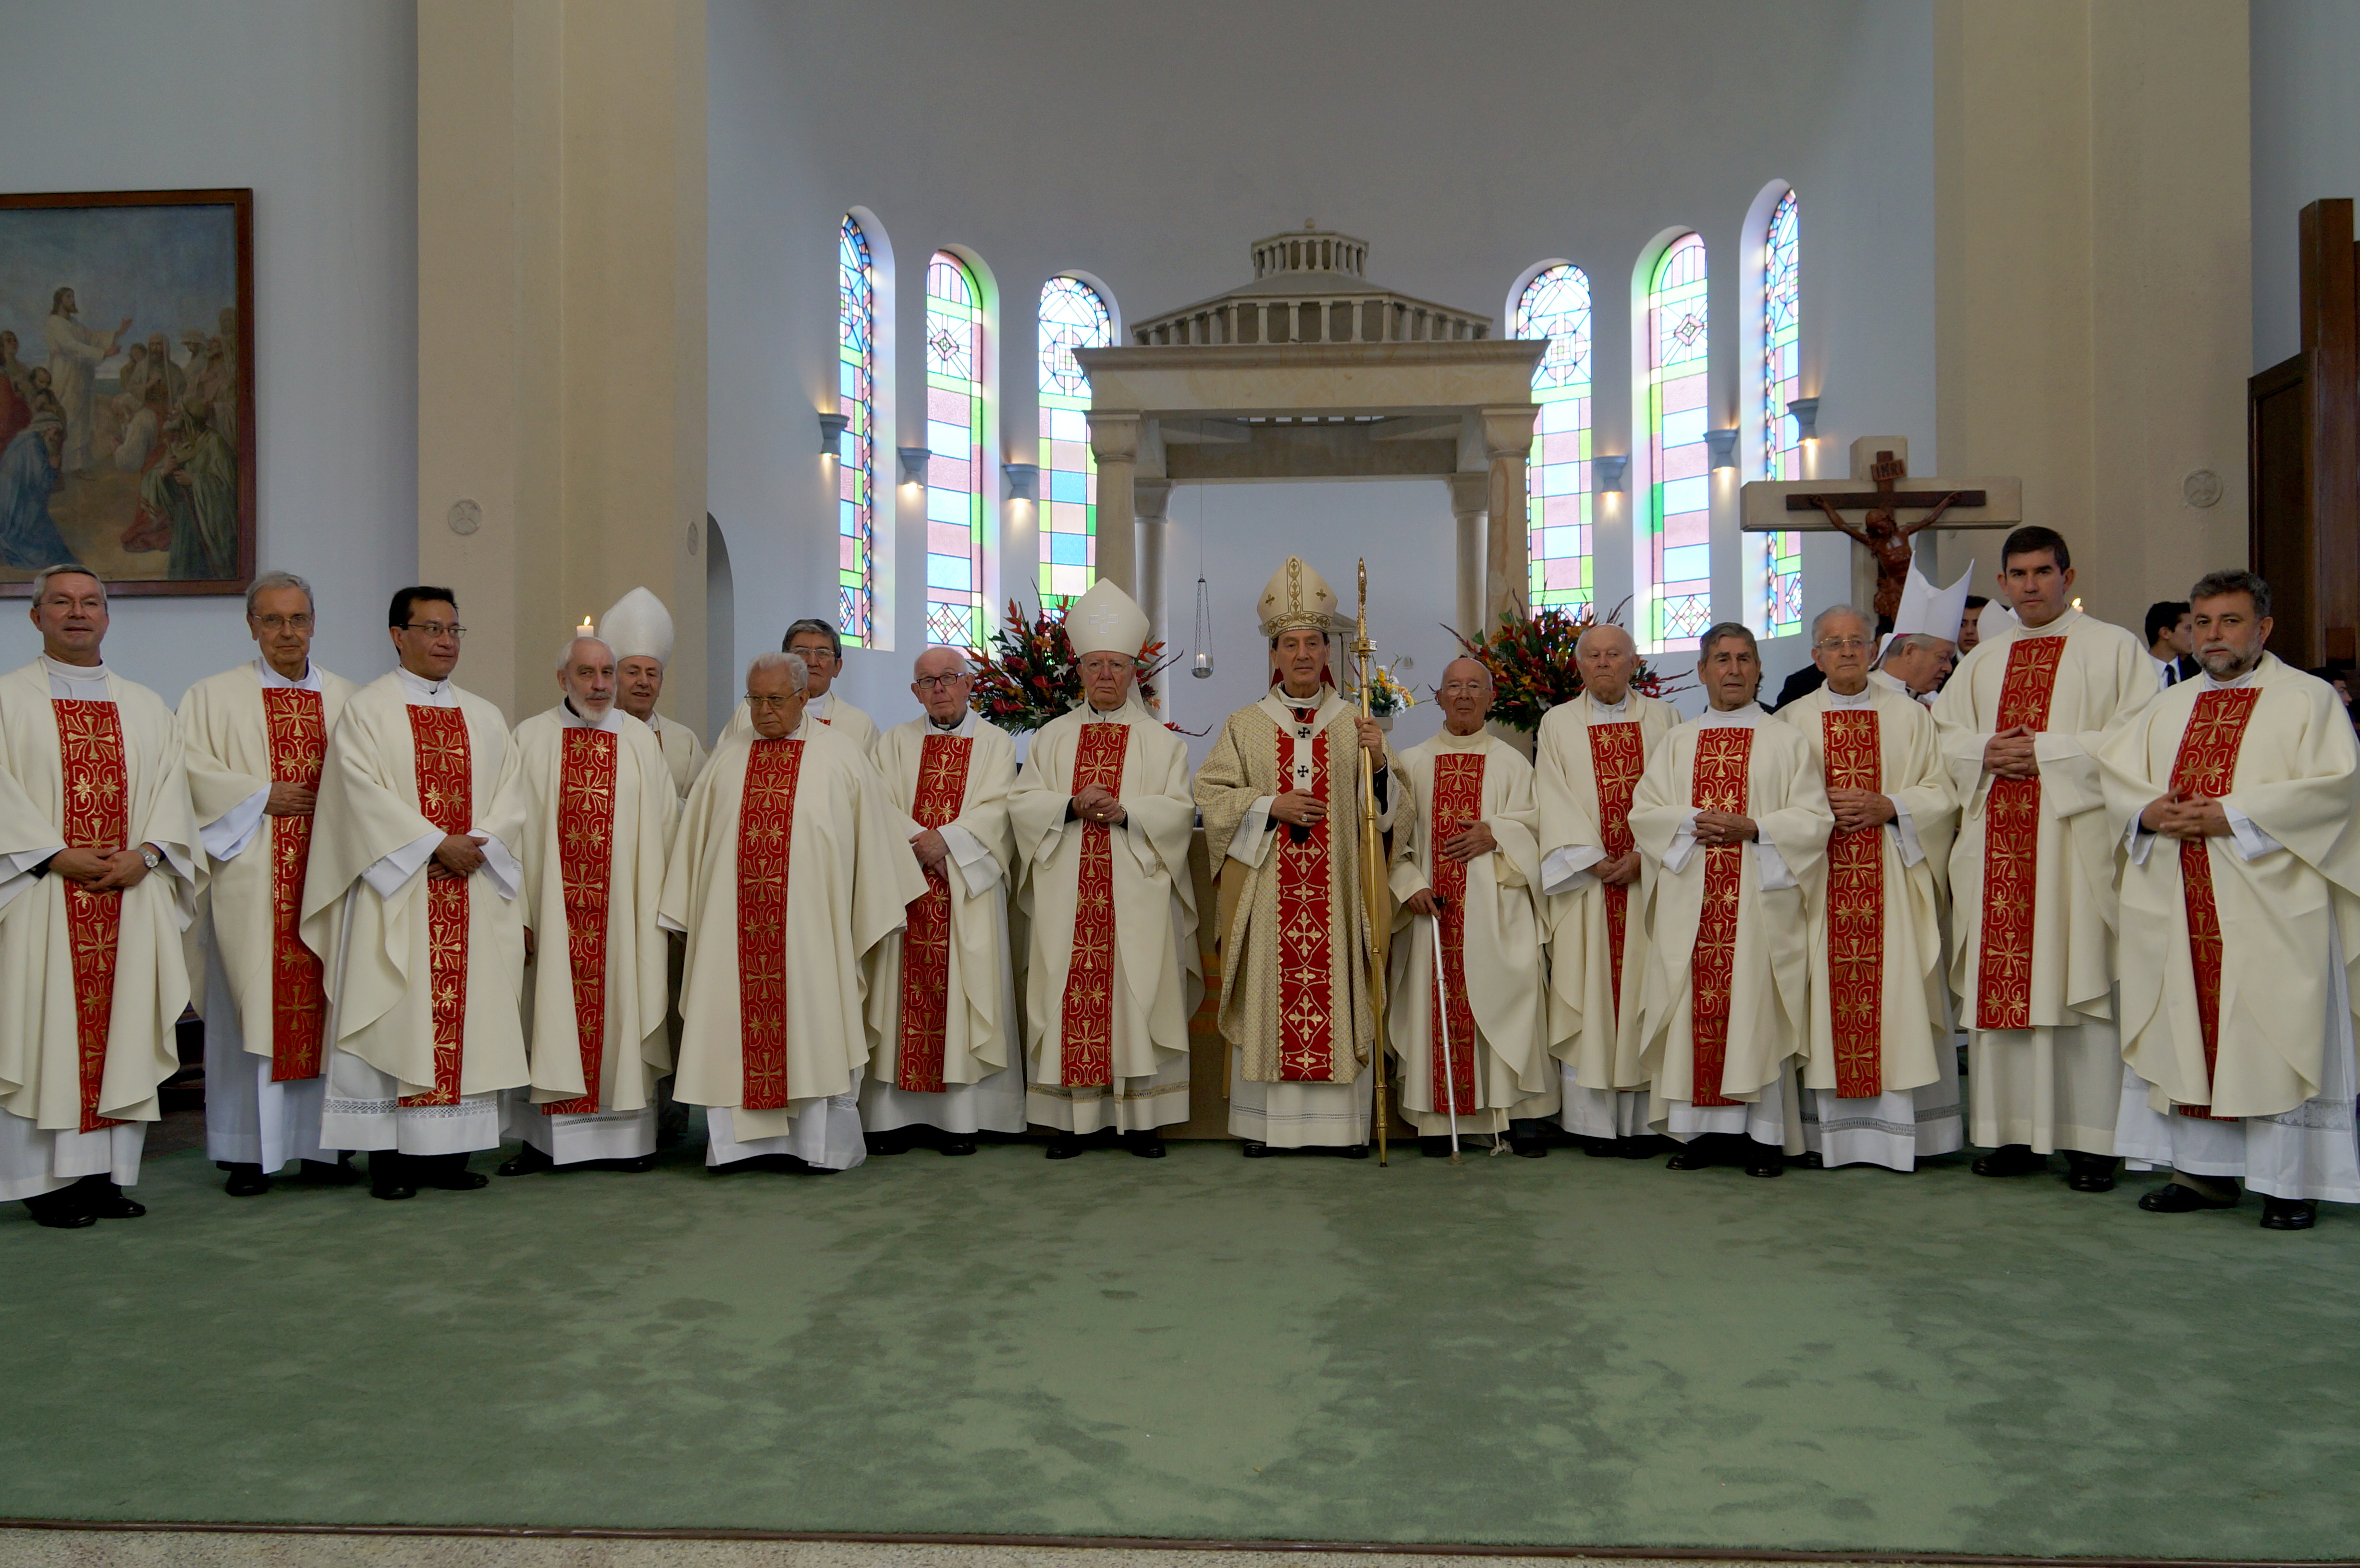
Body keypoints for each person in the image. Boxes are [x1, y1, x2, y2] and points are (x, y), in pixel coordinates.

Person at [2101, 571, 2360, 1230]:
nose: (2213, 635)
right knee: (2187, 1030)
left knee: (2273, 1035)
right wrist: (2148, 812)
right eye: (2203, 622)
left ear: (2263, 629)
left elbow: (2336, 788)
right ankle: (2202, 1174)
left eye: (2231, 621)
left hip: (2272, 903)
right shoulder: (2166, 706)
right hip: (2179, 897)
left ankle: (2288, 1182)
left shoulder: (2306, 699)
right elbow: (2118, 780)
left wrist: (2235, 816)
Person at [1931, 527, 2151, 1191]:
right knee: (2006, 990)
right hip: (1996, 847)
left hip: (2072, 848)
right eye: (2018, 575)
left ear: (2067, 576)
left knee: (2078, 983)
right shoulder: (1983, 661)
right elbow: (1942, 738)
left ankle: (2091, 1142)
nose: (2030, 585)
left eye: (2043, 572)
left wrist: (2046, 752)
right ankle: (2012, 1133)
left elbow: (2139, 736)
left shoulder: (2114, 648)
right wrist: (1984, 753)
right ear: (2003, 584)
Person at [299, 587, 529, 1200]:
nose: (445, 641)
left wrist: (476, 845)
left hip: (469, 892)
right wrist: (433, 845)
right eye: (431, 629)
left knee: (468, 1021)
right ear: (397, 636)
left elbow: (513, 797)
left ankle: (450, 1156)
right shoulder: (367, 711)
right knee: (394, 1016)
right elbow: (356, 796)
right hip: (398, 895)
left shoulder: (484, 716)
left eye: (453, 630)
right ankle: (392, 1161)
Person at [660, 652, 923, 1174]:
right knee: (732, 1028)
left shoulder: (841, 757)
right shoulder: (726, 759)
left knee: (813, 1025)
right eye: (754, 699)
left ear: (803, 699)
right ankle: (735, 1149)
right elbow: (696, 849)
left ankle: (817, 1148)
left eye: (776, 700)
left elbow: (872, 846)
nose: (763, 711)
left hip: (811, 935)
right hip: (733, 936)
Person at [0, 566, 198, 1228]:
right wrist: (52, 854)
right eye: (61, 602)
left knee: (121, 1032)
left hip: (129, 898)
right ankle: (43, 1183)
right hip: (41, 898)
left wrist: (149, 855)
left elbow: (175, 795)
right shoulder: (7, 701)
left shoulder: (145, 707)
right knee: (43, 1034)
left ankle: (105, 1176)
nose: (77, 613)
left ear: (108, 617)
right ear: (36, 617)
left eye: (90, 603)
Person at [1194, 557, 1393, 1157]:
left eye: (1312, 643)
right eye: (1290, 645)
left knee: (1337, 988)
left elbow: (1391, 815)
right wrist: (1267, 805)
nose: (1303, 654)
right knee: (1270, 995)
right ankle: (1265, 1127)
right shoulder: (1245, 725)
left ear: (1327, 652)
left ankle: (1343, 1129)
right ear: (1274, 655)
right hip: (1268, 893)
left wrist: (1380, 764)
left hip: (1337, 894)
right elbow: (1211, 794)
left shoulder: (1356, 724)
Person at [1626, 623, 1831, 1176]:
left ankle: (1763, 1137)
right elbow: (1645, 813)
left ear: (1759, 669)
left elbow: (1814, 819)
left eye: (1744, 659)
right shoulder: (1678, 742)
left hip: (1759, 905)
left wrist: (1755, 827)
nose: (1733, 670)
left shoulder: (1786, 741)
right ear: (1702, 671)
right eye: (1722, 659)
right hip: (1691, 902)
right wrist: (1691, 820)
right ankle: (1702, 1134)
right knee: (1694, 1010)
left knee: (1754, 1013)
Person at [178, 571, 360, 1195]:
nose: (287, 633)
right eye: (273, 620)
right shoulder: (212, 697)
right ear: (252, 626)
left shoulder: (348, 700)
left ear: (314, 624)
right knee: (249, 1009)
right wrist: (260, 796)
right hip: (250, 882)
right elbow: (187, 771)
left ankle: (324, 1149)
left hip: (327, 882)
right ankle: (246, 1153)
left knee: (330, 1007)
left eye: (298, 619)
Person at [1009, 579, 1199, 1156]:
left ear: (1133, 672)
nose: (1106, 676)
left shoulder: (1161, 743)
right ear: (1080, 672)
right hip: (1067, 892)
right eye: (1095, 665)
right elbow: (1022, 804)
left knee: (1137, 995)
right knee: (1068, 991)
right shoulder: (1050, 739)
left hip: (1136, 894)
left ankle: (1142, 1121)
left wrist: (1127, 813)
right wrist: (1069, 805)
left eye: (1116, 665)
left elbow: (1180, 809)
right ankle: (1073, 1122)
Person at [1776, 606, 1964, 1170]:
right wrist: (1814, 813)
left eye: (1856, 641)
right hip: (1819, 880)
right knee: (1822, 997)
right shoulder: (1789, 722)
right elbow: (1772, 801)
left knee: (1897, 995)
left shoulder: (1909, 717)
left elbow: (1943, 792)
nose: (1847, 652)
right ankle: (1825, 1137)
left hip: (1892, 875)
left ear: (1874, 649)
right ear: (1816, 657)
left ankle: (1903, 1136)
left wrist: (1891, 805)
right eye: (1834, 644)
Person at [489, 635, 678, 1175]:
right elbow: (510, 832)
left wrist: (661, 909)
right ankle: (542, 1143)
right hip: (552, 915)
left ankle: (627, 1141)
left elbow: (666, 827)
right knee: (548, 1013)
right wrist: (519, 915)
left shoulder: (639, 742)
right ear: (563, 679)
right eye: (587, 673)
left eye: (607, 673)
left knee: (623, 1009)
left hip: (625, 916)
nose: (600, 686)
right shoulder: (531, 738)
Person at [862, 647, 1023, 1154]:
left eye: (949, 678)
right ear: (915, 692)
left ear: (968, 684)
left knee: (965, 996)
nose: (939, 689)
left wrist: (947, 841)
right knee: (899, 998)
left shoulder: (996, 744)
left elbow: (1000, 809)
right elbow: (876, 803)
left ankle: (960, 1120)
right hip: (906, 888)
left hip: (966, 891)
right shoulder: (893, 743)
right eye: (927, 681)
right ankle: (893, 1120)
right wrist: (920, 843)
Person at [1389, 657, 1553, 1156]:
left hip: (1498, 911)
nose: (1463, 695)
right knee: (1436, 1003)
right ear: (1438, 698)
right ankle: (1440, 1119)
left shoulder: (1513, 764)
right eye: (1454, 687)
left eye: (1474, 687)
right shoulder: (1411, 763)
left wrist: (1497, 834)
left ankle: (1520, 1116)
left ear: (1490, 698)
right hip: (1433, 915)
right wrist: (1410, 884)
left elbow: (1541, 831)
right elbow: (1391, 839)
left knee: (1512, 1000)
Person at [1535, 622, 1680, 1155]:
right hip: (1588, 887)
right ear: (1579, 665)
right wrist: (1590, 859)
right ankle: (1591, 1124)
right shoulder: (1557, 723)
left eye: (1614, 654)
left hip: (1648, 882)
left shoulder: (1665, 719)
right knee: (1589, 988)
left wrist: (1645, 855)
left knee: (1646, 989)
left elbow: (1678, 795)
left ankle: (1645, 1124)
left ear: (1634, 662)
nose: (1603, 663)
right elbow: (1551, 795)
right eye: (1593, 655)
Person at [598, 587, 706, 797]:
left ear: (661, 683)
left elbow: (700, 809)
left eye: (652, 674)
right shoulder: (592, 733)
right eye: (633, 672)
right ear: (613, 679)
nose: (644, 682)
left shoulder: (684, 742)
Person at [717, 618, 880, 754]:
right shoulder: (749, 712)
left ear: (837, 667)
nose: (812, 662)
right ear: (783, 661)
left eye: (823, 653)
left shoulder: (858, 724)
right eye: (802, 652)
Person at [146, 397, 239, 582]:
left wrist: (195, 481)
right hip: (183, 517)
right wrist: (164, 472)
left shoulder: (214, 444)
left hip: (206, 519)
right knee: (182, 566)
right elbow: (152, 479)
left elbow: (227, 487)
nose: (172, 415)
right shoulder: (180, 446)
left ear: (188, 420)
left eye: (178, 412)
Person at [42, 286, 131, 474]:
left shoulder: (74, 323)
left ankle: (77, 467)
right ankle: (63, 468)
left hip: (80, 377)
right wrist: (103, 353)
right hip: (65, 375)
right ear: (60, 300)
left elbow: (93, 337)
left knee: (82, 420)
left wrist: (118, 333)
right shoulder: (55, 322)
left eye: (73, 297)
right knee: (69, 417)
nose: (73, 300)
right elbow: (71, 346)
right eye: (69, 297)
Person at [0, 418, 78, 570]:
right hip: (17, 503)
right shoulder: (34, 444)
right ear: (46, 428)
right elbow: (44, 482)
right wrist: (54, 464)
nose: (56, 439)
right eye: (55, 433)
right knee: (47, 549)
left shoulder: (23, 440)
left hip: (11, 497)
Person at [1873, 632, 1954, 702]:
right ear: (1909, 652)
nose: (1949, 669)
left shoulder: (1937, 704)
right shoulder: (1869, 695)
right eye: (1942, 658)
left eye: (1950, 659)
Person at [2145, 600, 2199, 690]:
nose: (2196, 635)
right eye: (2189, 629)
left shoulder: (2197, 671)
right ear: (2165, 633)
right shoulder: (2134, 672)